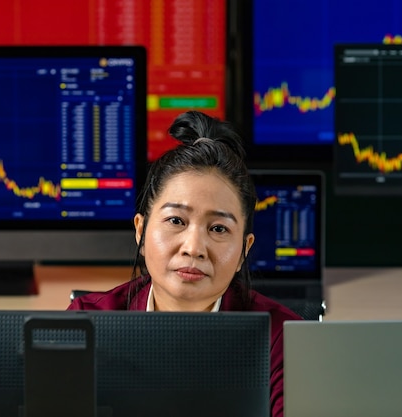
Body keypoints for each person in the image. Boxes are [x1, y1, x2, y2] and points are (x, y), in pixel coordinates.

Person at [68, 110, 302, 417]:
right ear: (140, 231)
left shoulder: (283, 338)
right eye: (176, 220)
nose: (194, 248)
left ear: (244, 250)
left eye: (218, 228)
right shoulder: (86, 322)